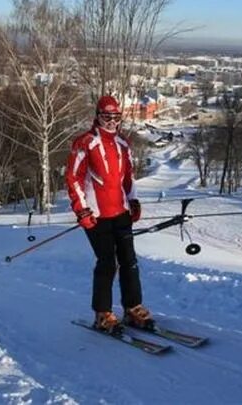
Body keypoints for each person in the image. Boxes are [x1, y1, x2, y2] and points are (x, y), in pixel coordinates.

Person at [65, 96, 152, 334]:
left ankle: (132, 307)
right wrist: (81, 209)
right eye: (107, 117)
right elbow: (73, 177)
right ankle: (103, 313)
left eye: (116, 117)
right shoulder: (85, 142)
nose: (112, 122)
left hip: (120, 211)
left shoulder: (123, 143)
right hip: (96, 214)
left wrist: (132, 200)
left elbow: (128, 176)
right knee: (107, 263)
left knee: (129, 261)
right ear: (97, 116)